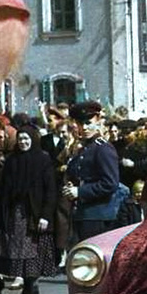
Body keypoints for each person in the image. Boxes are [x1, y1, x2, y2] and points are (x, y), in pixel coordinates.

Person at [0, 125, 58, 294]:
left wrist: (45, 215)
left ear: (33, 139)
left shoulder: (43, 159)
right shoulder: (12, 160)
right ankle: (25, 288)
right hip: (14, 214)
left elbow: (50, 190)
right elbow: (2, 188)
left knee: (33, 250)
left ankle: (31, 288)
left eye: (27, 139)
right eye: (20, 139)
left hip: (34, 214)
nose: (23, 142)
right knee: (17, 250)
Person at [63, 101, 122, 242]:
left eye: (88, 123)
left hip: (99, 215)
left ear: (98, 121)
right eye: (80, 124)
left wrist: (80, 192)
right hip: (83, 214)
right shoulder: (84, 147)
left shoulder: (103, 148)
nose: (84, 128)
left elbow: (110, 183)